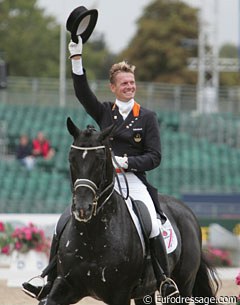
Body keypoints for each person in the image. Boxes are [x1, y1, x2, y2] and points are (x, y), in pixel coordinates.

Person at [22, 37, 178, 300]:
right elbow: (82, 92)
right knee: (64, 221)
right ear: (113, 88)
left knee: (149, 221)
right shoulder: (105, 112)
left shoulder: (147, 117)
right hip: (104, 181)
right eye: (124, 83)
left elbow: (155, 157)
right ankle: (49, 280)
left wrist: (127, 162)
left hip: (134, 180)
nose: (130, 86)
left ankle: (163, 279)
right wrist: (76, 58)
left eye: (132, 82)